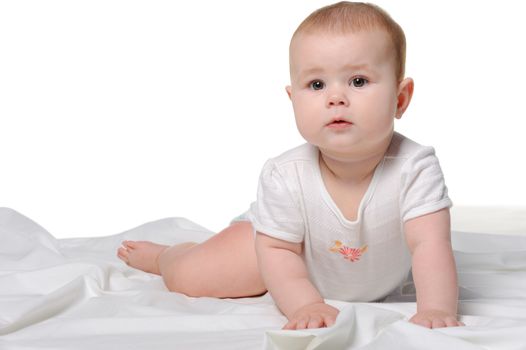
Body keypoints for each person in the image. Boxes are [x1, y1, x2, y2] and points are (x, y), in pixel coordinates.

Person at [117, 1, 463, 330]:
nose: (336, 97)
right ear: (293, 98)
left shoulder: (414, 167)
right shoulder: (286, 174)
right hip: (279, 246)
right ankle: (167, 257)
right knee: (192, 278)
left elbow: (429, 245)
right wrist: (305, 304)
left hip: (354, 263)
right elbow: (277, 251)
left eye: (358, 81)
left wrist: (436, 309)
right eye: (316, 84)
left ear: (400, 98)